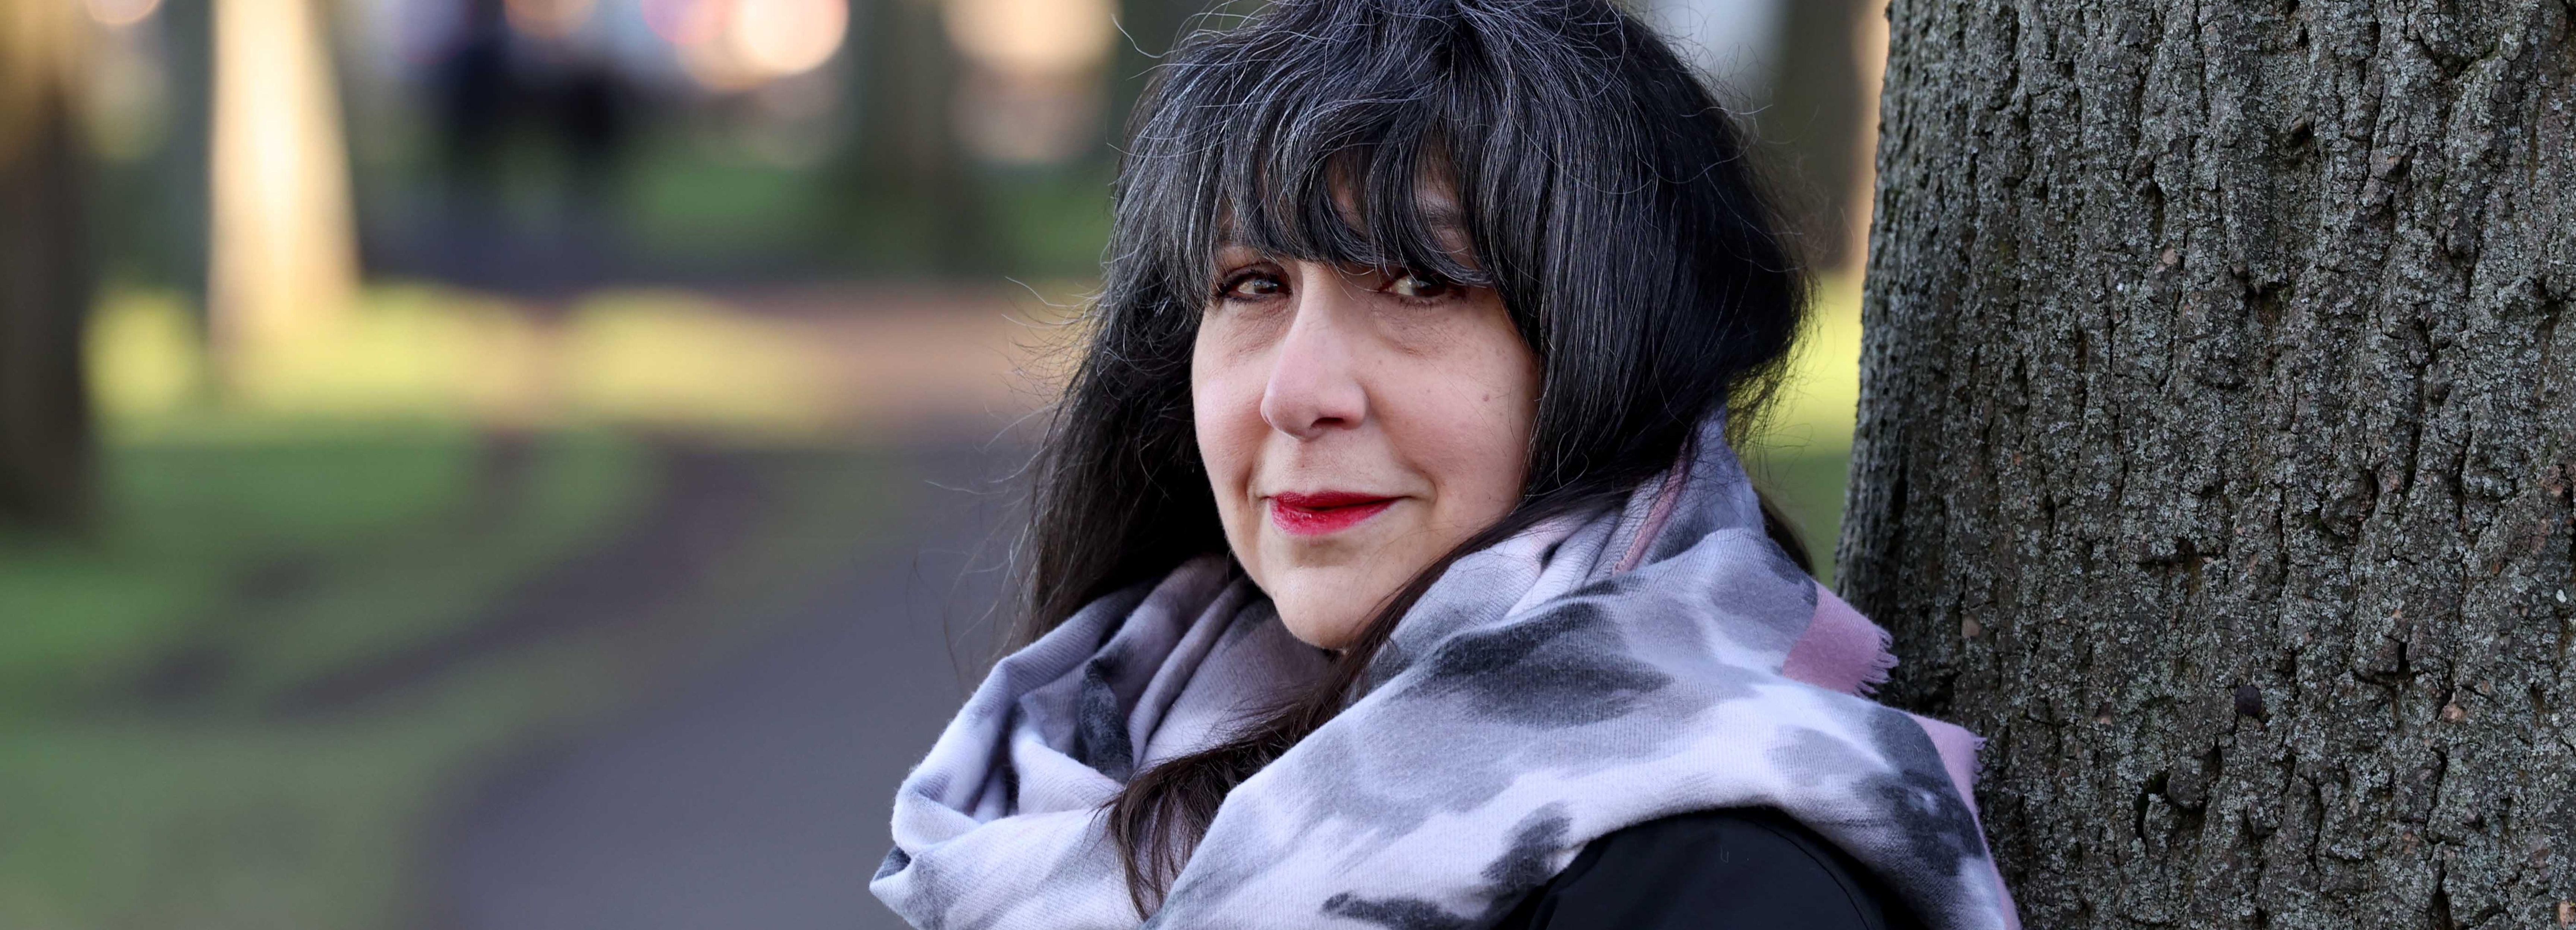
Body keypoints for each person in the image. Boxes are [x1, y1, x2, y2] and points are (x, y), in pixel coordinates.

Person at [871, 0, 2020, 927]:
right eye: (1253, 287)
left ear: (1614, 352)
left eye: (1422, 283)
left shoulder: (1707, 880)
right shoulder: (1070, 770)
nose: (1294, 392)